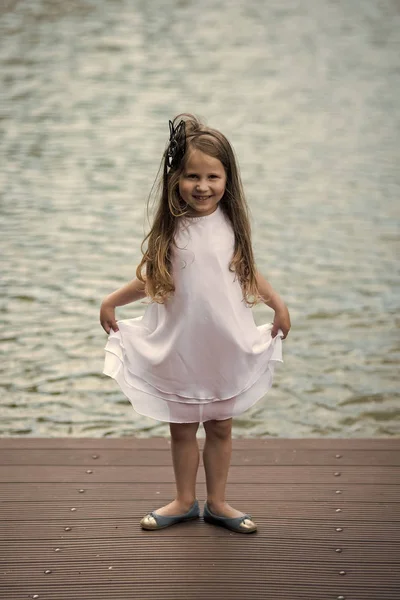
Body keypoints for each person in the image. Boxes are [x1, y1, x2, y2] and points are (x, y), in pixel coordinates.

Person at [100, 114, 291, 534]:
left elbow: (249, 273)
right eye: (191, 176)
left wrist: (277, 304)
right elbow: (152, 280)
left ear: (227, 180)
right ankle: (185, 500)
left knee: (221, 426)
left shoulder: (231, 225)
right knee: (183, 427)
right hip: (182, 344)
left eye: (212, 176)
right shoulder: (173, 230)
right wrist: (112, 300)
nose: (202, 186)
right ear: (176, 179)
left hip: (223, 344)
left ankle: (218, 502)